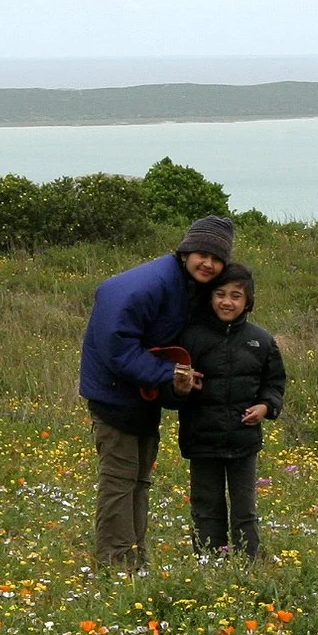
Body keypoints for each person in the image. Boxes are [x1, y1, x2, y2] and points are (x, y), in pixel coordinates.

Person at [80, 215, 234, 570]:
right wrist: (169, 373)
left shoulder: (184, 285)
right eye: (202, 254)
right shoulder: (147, 285)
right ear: (185, 252)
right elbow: (117, 345)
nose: (208, 263)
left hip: (138, 394)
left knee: (139, 479)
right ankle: (115, 564)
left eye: (217, 258)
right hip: (114, 394)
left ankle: (135, 559)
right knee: (120, 480)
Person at [176, 262, 285, 559]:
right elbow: (174, 389)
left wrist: (266, 406)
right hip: (201, 439)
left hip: (243, 440)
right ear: (209, 297)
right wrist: (181, 386)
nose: (227, 302)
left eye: (236, 296)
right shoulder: (191, 338)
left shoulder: (261, 341)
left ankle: (249, 564)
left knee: (244, 510)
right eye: (220, 294)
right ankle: (210, 563)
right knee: (205, 507)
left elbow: (274, 383)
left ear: (247, 301)